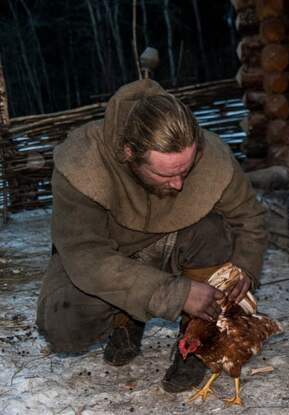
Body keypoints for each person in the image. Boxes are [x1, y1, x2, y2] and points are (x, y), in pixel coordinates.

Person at [36, 79, 268, 393]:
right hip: (110, 260)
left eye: (185, 170)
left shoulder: (210, 154)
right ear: (128, 153)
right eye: (166, 174)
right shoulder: (82, 164)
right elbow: (87, 258)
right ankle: (126, 317)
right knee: (63, 327)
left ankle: (197, 341)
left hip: (174, 246)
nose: (178, 185)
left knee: (213, 229)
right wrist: (174, 294)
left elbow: (249, 216)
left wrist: (245, 265)